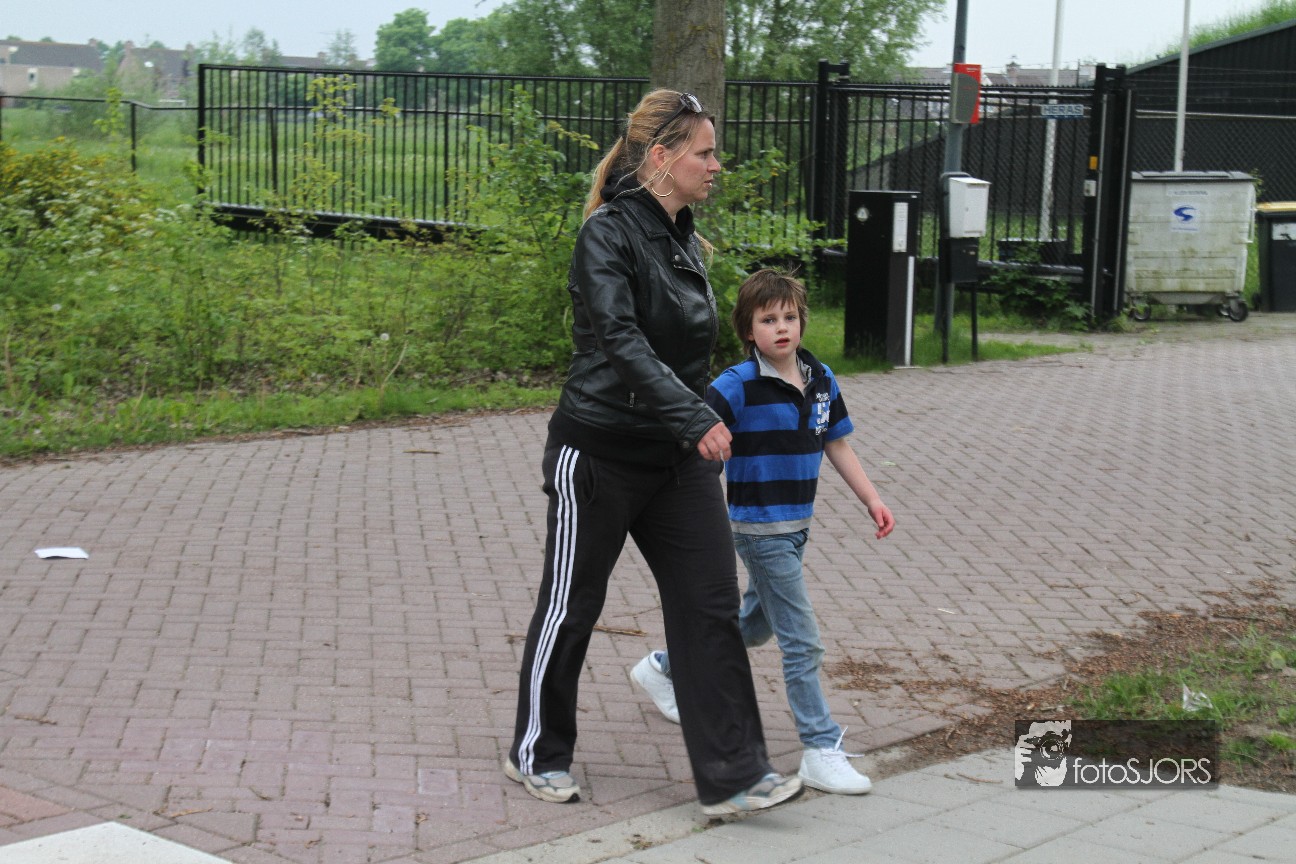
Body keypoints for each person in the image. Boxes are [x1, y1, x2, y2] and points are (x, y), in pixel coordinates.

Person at [505, 90, 803, 817]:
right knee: (572, 607)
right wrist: (694, 418)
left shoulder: (683, 240)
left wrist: (728, 410)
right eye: (705, 152)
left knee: (710, 607)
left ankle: (734, 775)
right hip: (598, 453)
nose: (717, 164)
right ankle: (537, 751)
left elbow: (686, 354)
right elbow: (622, 340)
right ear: (662, 157)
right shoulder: (607, 235)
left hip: (675, 460)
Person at [631, 268, 896, 795]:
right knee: (803, 643)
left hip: (798, 527)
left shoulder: (821, 378)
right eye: (768, 320)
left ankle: (664, 667)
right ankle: (819, 747)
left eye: (790, 318)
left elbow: (836, 442)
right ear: (748, 331)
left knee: (754, 626)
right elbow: (694, 434)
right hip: (759, 531)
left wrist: (872, 498)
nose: (782, 328)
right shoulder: (736, 385)